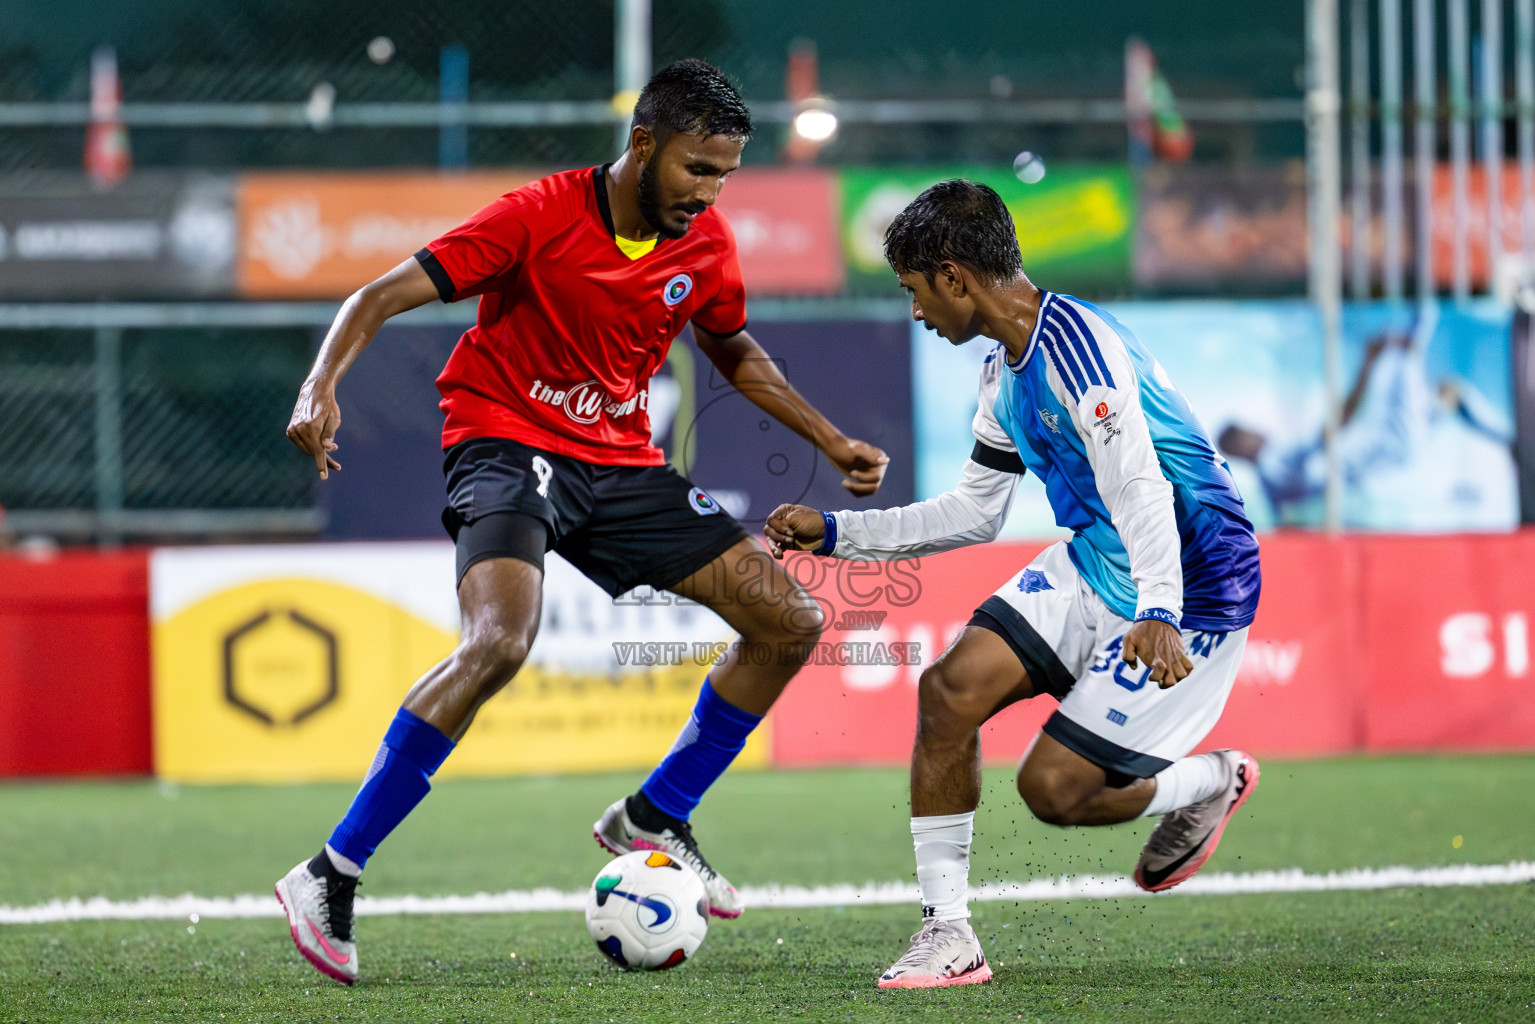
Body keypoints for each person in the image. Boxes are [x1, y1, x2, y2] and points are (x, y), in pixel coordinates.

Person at [276, 58, 888, 986]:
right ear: (643, 144)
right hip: (505, 440)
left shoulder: (704, 245)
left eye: (724, 173)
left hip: (617, 462)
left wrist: (830, 437)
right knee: (500, 642)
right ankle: (329, 873)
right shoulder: (536, 216)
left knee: (787, 621)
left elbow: (734, 351)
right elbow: (377, 297)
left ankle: (655, 815)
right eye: (695, 168)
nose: (709, 192)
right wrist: (321, 385)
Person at [765, 180, 1262, 989]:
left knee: (1054, 792)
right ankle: (949, 935)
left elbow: (1140, 485)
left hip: (1193, 587)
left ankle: (1214, 777)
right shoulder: (1003, 369)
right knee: (948, 692)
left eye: (914, 291)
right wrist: (838, 535)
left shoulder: (1078, 348)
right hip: (1097, 558)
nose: (917, 313)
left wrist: (1160, 609)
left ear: (954, 277)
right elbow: (973, 512)